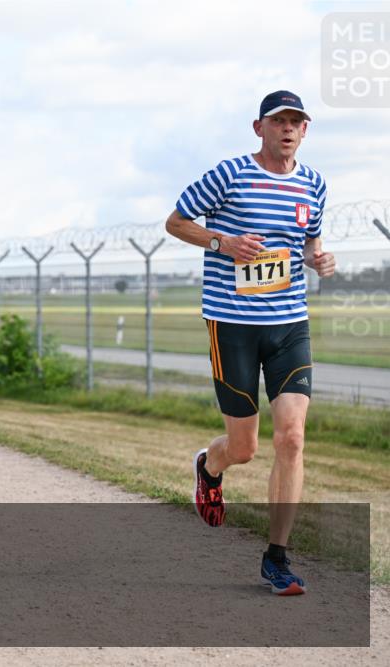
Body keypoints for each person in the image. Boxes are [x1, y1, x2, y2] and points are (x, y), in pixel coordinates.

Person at [166, 90, 336, 596]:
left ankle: (277, 558)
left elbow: (309, 243)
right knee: (244, 448)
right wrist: (224, 243)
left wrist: (320, 260)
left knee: (293, 438)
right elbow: (175, 222)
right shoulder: (230, 174)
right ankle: (209, 465)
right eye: (278, 120)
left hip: (289, 326)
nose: (288, 128)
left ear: (304, 131)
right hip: (231, 325)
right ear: (258, 127)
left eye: (296, 122)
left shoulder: (314, 183)